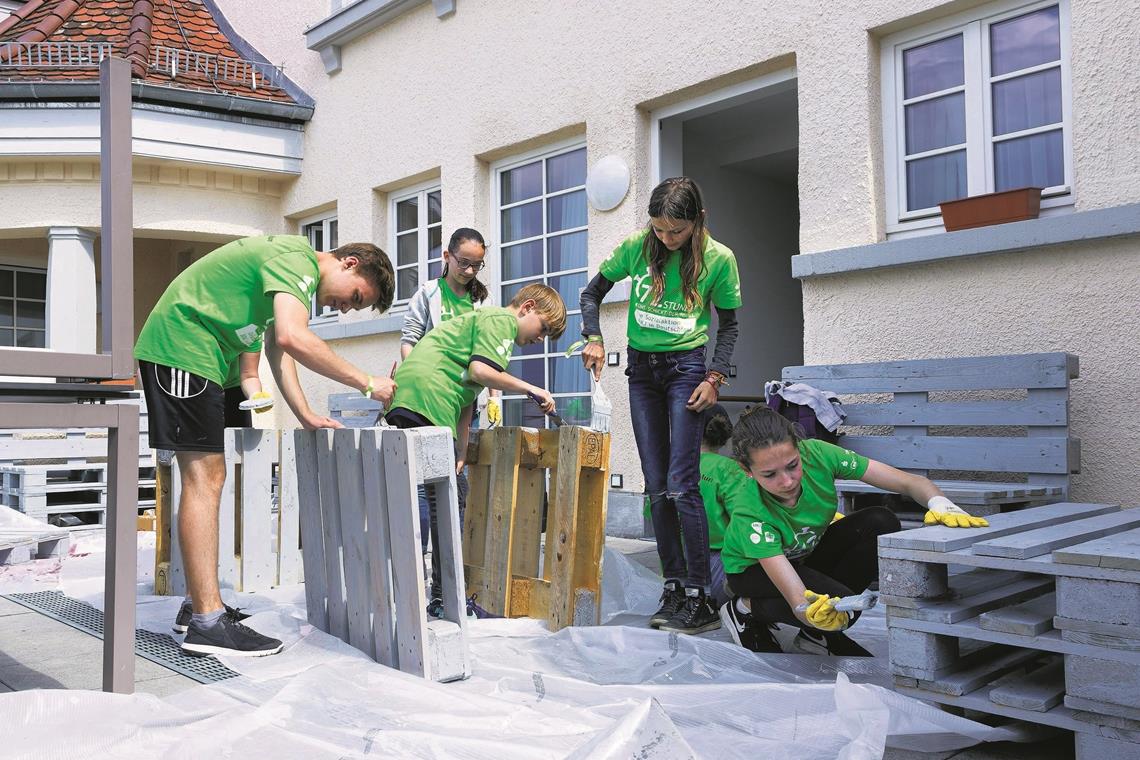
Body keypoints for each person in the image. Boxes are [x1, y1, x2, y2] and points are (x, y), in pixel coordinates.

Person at [136, 234, 397, 657]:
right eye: (354, 297)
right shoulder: (296, 259)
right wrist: (367, 382)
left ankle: (199, 606)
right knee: (205, 478)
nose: (345, 308)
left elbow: (279, 349)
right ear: (350, 263)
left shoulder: (290, 279)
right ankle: (206, 621)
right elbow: (295, 338)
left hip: (211, 359)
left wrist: (305, 414)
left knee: (213, 480)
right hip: (182, 346)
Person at [579, 177, 741, 635]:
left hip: (688, 370)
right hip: (642, 372)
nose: (666, 239)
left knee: (681, 484)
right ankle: (673, 588)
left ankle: (700, 595)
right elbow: (591, 293)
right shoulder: (637, 246)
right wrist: (593, 336)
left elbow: (728, 326)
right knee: (654, 484)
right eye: (659, 230)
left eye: (676, 231)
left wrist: (715, 377)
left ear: (696, 222)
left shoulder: (718, 259)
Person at [717, 406, 989, 656]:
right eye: (769, 474)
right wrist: (815, 615)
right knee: (845, 607)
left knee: (880, 521)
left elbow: (908, 482)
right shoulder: (749, 511)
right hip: (753, 570)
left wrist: (941, 503)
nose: (787, 481)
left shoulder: (819, 454)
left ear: (800, 449)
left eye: (792, 465)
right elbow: (799, 600)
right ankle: (745, 608)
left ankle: (815, 637)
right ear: (747, 469)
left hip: (800, 554)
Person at [387, 283, 567, 611]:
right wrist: (532, 389)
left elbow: (469, 392)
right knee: (448, 501)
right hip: (428, 402)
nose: (540, 339)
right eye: (543, 329)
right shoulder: (501, 321)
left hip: (410, 400)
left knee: (439, 495)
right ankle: (445, 599)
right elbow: (481, 371)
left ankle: (428, 594)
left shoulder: (482, 321)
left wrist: (461, 446)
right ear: (527, 307)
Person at [399, 227, 500, 613]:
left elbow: (483, 361)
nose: (470, 271)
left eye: (478, 265)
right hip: (425, 404)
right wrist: (415, 380)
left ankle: (446, 595)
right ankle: (415, 589)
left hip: (458, 406)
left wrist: (492, 398)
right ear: (446, 256)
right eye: (464, 263)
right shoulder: (428, 294)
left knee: (454, 492)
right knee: (425, 495)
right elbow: (410, 339)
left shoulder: (479, 304)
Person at [697, 404, 743, 608]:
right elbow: (743, 519)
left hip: (677, 566)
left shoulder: (672, 467)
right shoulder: (729, 469)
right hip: (719, 563)